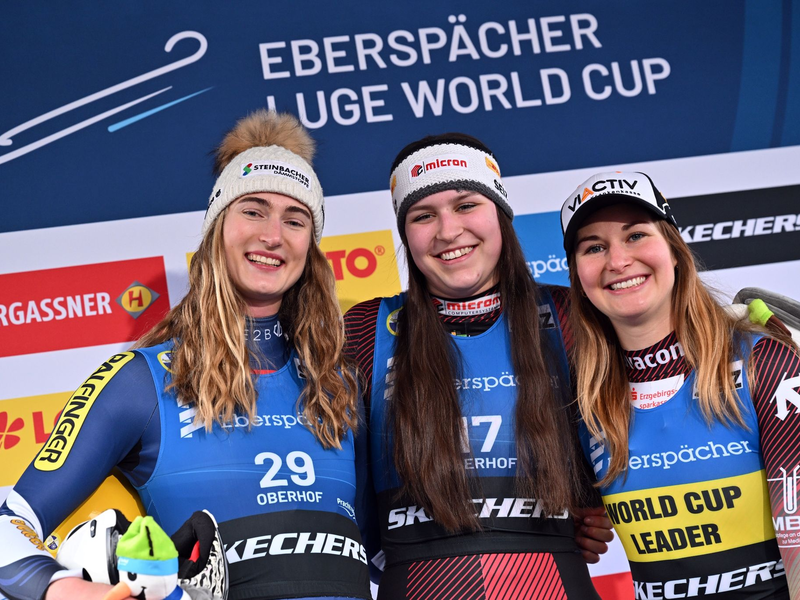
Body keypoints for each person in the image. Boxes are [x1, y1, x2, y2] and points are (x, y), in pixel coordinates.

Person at [0, 110, 371, 600]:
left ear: (311, 245)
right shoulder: (142, 381)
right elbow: (11, 524)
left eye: (295, 219)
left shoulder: (339, 384)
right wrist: (65, 590)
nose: (273, 235)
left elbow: (387, 549)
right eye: (253, 210)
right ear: (218, 228)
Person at [345, 133, 611, 599]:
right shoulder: (368, 327)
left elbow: (648, 425)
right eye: (423, 215)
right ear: (406, 234)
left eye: (466, 205)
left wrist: (610, 504)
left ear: (500, 213)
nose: (448, 231)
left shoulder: (570, 314)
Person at [560, 171, 800, 598]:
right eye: (594, 247)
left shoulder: (764, 359)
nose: (617, 261)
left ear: (673, 250)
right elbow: (576, 521)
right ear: (578, 276)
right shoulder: (585, 401)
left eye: (635, 236)